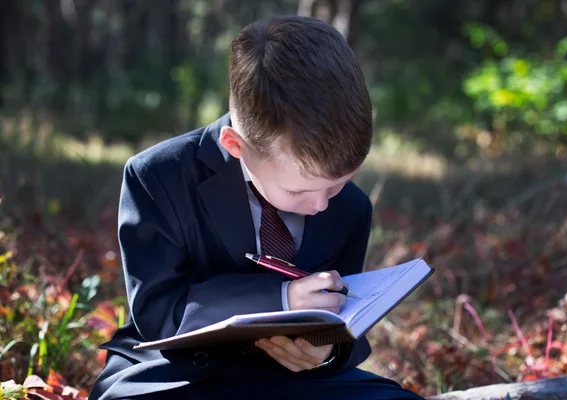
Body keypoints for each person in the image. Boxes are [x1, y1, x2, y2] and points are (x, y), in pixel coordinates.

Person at [89, 15, 425, 400]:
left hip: (294, 382)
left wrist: (327, 352)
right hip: (177, 374)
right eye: (298, 191)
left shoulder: (351, 208)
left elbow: (345, 319)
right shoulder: (159, 177)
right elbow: (159, 314)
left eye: (338, 184)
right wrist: (280, 299)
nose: (319, 205)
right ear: (235, 145)